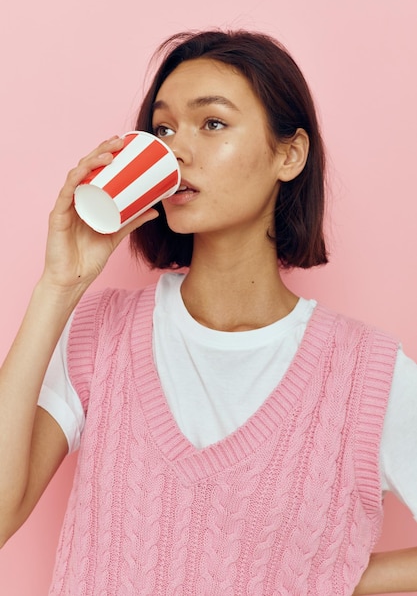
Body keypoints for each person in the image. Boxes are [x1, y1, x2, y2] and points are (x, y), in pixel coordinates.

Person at [0, 29, 416, 595]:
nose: (175, 149)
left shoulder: (366, 373)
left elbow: (317, 574)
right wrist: (57, 286)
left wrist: (335, 576)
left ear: (289, 155)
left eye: (212, 123)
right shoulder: (101, 334)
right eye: (163, 128)